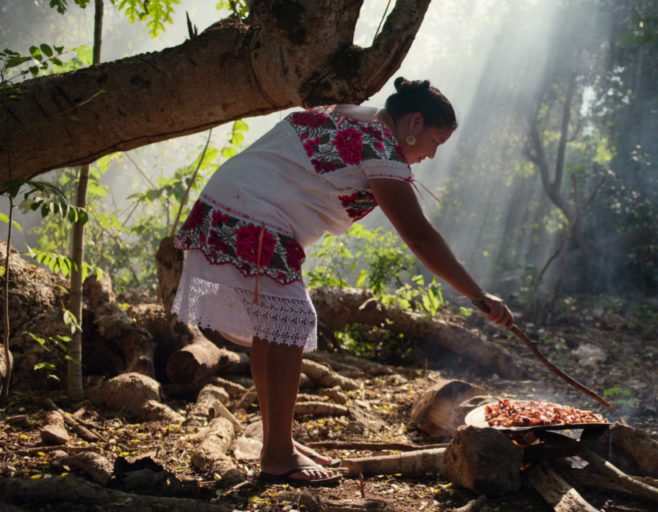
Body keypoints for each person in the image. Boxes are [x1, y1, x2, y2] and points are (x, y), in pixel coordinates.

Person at [171, 77, 514, 486]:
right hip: (252, 215)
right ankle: (277, 454)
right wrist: (477, 294)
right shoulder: (380, 146)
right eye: (434, 142)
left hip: (230, 203)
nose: (430, 155)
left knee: (279, 323)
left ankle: (278, 443)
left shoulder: (353, 113)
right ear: (415, 122)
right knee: (290, 321)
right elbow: (419, 236)